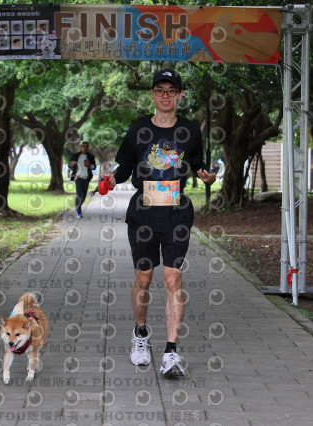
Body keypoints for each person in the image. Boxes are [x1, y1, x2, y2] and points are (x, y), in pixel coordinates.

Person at [107, 69, 216, 376]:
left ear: (179, 95)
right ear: (152, 94)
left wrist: (207, 176)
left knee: (173, 280)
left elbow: (198, 164)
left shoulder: (190, 130)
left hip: (176, 214)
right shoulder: (138, 129)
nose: (166, 95)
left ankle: (171, 352)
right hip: (143, 214)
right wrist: (111, 180)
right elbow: (124, 168)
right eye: (160, 90)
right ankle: (140, 334)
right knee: (144, 278)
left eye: (171, 90)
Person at [68, 141, 96, 218]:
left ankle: (78, 207)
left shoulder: (90, 156)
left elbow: (94, 167)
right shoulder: (76, 155)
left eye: (86, 146)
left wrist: (89, 165)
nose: (85, 147)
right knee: (78, 195)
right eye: (83, 146)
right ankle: (79, 212)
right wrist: (72, 163)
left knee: (83, 196)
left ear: (88, 148)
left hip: (86, 179)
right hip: (78, 178)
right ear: (80, 147)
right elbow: (69, 164)